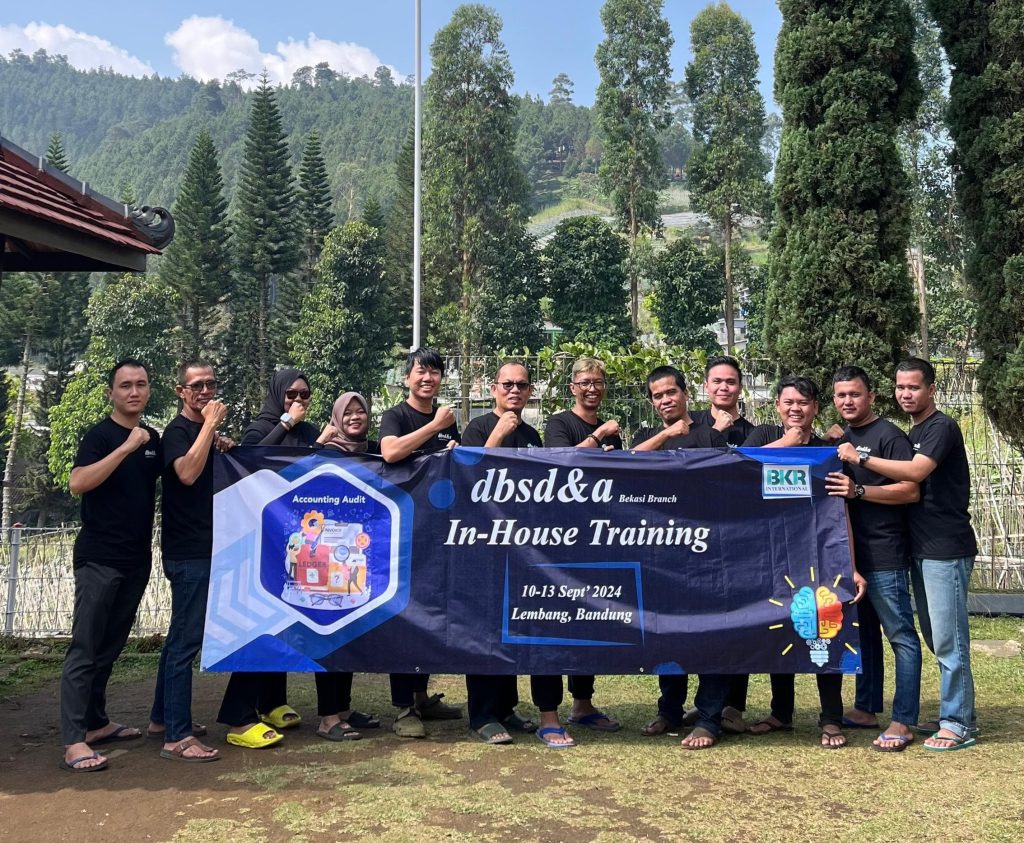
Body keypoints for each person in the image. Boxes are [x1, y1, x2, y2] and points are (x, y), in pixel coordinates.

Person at [837, 357, 979, 751]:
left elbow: (914, 476)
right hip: (920, 547)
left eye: (914, 387)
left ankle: (957, 723)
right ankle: (960, 712)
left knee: (948, 639)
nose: (906, 394)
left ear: (931, 389)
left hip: (945, 547)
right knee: (936, 636)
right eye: (901, 387)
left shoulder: (940, 427)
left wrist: (860, 459)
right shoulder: (915, 431)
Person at [744, 376, 866, 749]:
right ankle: (781, 713)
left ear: (815, 407)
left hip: (819, 556)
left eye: (803, 402)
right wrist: (787, 444)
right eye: (789, 402)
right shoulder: (763, 438)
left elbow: (840, 510)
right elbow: (735, 467)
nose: (795, 408)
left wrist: (850, 565)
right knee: (779, 629)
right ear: (777, 406)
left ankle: (831, 718)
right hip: (771, 556)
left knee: (826, 627)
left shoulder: (828, 451)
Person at [60, 359, 162, 772]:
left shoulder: (152, 438)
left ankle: (96, 722)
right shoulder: (100, 436)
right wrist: (125, 448)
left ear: (149, 390)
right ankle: (73, 741)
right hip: (99, 559)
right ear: (111, 393)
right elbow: (78, 482)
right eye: (125, 385)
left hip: (136, 559)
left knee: (110, 647)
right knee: (85, 648)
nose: (133, 392)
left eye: (141, 384)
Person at [631, 366, 732, 749]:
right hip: (660, 554)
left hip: (706, 554)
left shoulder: (710, 435)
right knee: (666, 634)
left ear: (686, 393)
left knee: (710, 636)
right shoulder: (646, 436)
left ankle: (708, 719)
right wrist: (667, 435)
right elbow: (630, 462)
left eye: (671, 392)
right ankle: (669, 711)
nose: (665, 400)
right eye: (657, 396)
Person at [824, 366, 922, 752]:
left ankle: (903, 720)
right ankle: (866, 707)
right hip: (851, 557)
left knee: (901, 636)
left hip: (886, 553)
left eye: (855, 394)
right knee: (863, 636)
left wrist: (859, 490)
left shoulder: (889, 436)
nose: (847, 401)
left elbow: (910, 490)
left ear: (871, 397)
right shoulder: (843, 438)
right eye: (841, 395)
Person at [239, 368, 336, 733]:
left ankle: (293, 703)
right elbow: (253, 459)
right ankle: (266, 702)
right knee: (268, 620)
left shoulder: (310, 432)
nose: (298, 401)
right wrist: (286, 422)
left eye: (304, 395)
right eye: (291, 394)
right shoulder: (259, 428)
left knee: (299, 618)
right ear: (277, 394)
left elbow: (313, 469)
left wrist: (320, 443)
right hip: (266, 539)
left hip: (305, 542)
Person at [148, 361, 233, 762]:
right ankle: (177, 737)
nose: (204, 391)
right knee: (185, 643)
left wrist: (219, 442)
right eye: (196, 385)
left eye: (210, 384)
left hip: (205, 549)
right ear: (180, 391)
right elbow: (185, 473)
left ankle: (161, 719)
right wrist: (210, 427)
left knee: (177, 638)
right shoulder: (177, 432)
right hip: (188, 553)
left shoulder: (201, 434)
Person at [379, 348, 463, 737]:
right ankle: (403, 709)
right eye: (421, 372)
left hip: (439, 532)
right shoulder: (396, 416)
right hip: (404, 530)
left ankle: (421, 697)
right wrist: (434, 428)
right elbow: (391, 451)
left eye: (434, 372)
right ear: (407, 378)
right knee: (403, 614)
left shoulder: (448, 420)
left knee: (430, 614)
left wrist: (453, 452)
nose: (428, 378)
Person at [461, 362, 546, 745]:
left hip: (521, 545)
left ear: (530, 391)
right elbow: (469, 475)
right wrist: (497, 434)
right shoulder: (478, 427)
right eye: (507, 384)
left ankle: (506, 707)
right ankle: (482, 715)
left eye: (521, 385)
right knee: (484, 629)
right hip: (483, 543)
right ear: (494, 389)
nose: (514, 390)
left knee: (512, 627)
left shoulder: (532, 435)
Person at [541, 357, 622, 734]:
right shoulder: (559, 422)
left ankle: (583, 703)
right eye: (585, 382)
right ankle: (548, 712)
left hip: (598, 534)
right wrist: (597, 438)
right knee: (552, 622)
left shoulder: (613, 433)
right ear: (573, 387)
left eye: (598, 382)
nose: (592, 388)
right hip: (558, 537)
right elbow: (561, 463)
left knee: (590, 621)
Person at [312, 390, 385, 740]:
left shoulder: (374, 451)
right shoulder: (325, 452)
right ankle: (327, 717)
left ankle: (343, 709)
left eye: (361, 411)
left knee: (350, 632)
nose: (355, 417)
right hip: (328, 557)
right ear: (336, 418)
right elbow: (295, 475)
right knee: (330, 633)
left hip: (361, 556)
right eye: (348, 413)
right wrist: (317, 442)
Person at [689, 355, 754, 447]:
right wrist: (715, 430)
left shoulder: (752, 434)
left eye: (731, 382)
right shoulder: (690, 422)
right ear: (706, 387)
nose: (723, 388)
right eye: (717, 381)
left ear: (740, 388)